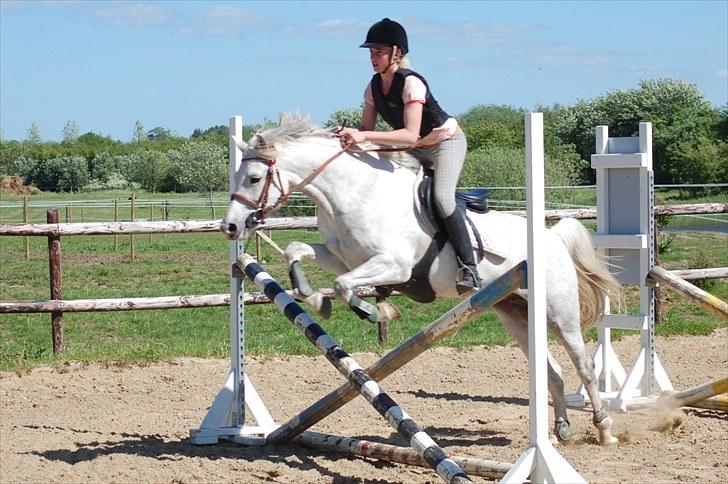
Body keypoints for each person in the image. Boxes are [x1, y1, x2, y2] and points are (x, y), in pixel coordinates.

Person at [337, 18, 480, 294]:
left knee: (441, 197)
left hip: (443, 142)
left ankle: (469, 267)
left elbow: (410, 135)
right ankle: (387, 264)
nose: (373, 57)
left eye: (379, 51)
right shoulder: (373, 87)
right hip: (415, 146)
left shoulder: (411, 83)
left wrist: (364, 136)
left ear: (397, 53)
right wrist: (347, 134)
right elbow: (366, 131)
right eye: (371, 52)